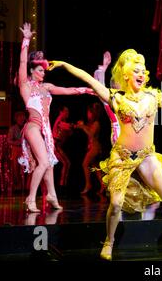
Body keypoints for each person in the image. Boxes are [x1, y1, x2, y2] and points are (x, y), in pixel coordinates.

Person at [48, 49, 162, 260]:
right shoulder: (115, 97)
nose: (141, 74)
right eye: (136, 71)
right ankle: (109, 241)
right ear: (126, 75)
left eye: (143, 71)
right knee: (116, 204)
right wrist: (63, 64)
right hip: (122, 156)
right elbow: (87, 77)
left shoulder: (153, 96)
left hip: (146, 156)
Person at [17, 22, 95, 213]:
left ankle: (51, 195)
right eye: (41, 70)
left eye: (44, 69)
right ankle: (30, 199)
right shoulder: (25, 86)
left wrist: (87, 89)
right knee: (43, 162)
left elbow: (68, 91)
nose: (44, 72)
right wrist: (26, 40)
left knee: (49, 161)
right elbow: (22, 63)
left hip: (44, 128)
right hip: (32, 127)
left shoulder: (47, 87)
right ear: (32, 71)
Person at [75, 102, 104, 194]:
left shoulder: (96, 123)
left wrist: (83, 126)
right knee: (95, 166)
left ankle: (88, 185)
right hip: (92, 147)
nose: (88, 114)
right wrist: (79, 126)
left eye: (89, 112)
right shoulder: (91, 123)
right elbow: (87, 129)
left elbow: (91, 134)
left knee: (85, 164)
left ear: (93, 113)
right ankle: (103, 184)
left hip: (95, 147)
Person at [94, 50, 121, 145]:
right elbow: (99, 87)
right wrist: (104, 68)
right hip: (119, 140)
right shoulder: (111, 101)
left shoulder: (128, 99)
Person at [52, 105, 74, 187]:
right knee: (66, 163)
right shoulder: (59, 120)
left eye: (68, 111)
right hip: (55, 146)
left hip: (58, 146)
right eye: (65, 111)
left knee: (66, 163)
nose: (67, 113)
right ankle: (62, 185)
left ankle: (62, 184)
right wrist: (74, 126)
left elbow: (69, 132)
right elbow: (66, 126)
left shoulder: (62, 121)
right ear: (61, 112)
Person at [7, 110, 27, 192]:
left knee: (25, 168)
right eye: (20, 117)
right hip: (16, 149)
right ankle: (17, 186)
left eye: (23, 117)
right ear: (16, 119)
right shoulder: (13, 128)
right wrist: (17, 142)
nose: (22, 119)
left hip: (25, 150)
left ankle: (25, 186)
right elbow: (9, 140)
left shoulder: (26, 127)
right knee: (16, 168)